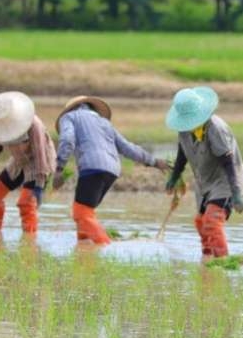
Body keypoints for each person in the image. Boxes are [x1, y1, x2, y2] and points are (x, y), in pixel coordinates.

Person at [55, 96, 168, 246]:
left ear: (72, 109)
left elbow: (67, 140)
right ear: (92, 108)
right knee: (86, 213)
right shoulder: (105, 123)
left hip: (92, 167)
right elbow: (127, 148)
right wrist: (153, 161)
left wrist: (59, 168)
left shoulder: (69, 117)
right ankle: (84, 251)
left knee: (81, 212)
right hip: (112, 170)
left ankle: (104, 245)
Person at [165, 87, 243, 259]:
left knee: (212, 222)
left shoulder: (215, 129)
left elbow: (228, 162)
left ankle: (222, 262)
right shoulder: (184, 129)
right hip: (205, 181)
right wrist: (174, 176)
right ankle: (208, 261)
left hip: (225, 180)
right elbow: (182, 154)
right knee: (201, 223)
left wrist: (237, 193)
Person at [0, 92, 56, 235]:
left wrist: (39, 185)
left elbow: (40, 154)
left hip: (39, 163)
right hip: (18, 162)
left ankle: (29, 241)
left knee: (26, 203)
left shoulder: (33, 124)